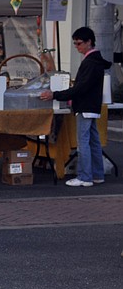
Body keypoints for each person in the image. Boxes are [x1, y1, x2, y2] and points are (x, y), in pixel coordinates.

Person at [40, 26, 111, 187]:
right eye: (75, 44)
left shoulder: (90, 62)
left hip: (85, 105)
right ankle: (97, 174)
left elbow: (81, 87)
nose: (77, 47)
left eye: (79, 43)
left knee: (83, 142)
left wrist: (56, 94)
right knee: (93, 141)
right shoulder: (96, 61)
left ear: (89, 42)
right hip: (92, 105)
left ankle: (85, 177)